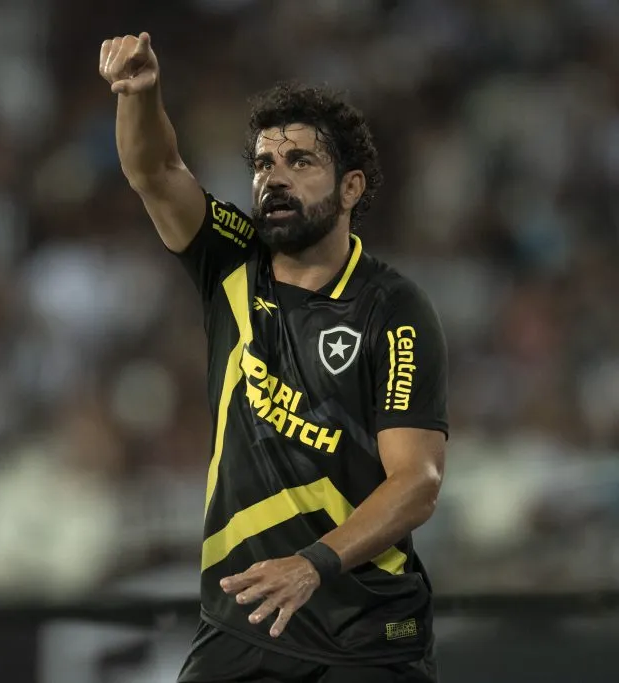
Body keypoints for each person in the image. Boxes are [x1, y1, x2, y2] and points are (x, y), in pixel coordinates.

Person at [99, 33, 449, 683]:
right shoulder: (232, 261)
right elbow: (155, 171)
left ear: (350, 187)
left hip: (365, 637)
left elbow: (417, 481)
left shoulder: (392, 308)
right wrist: (139, 96)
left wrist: (312, 562)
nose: (274, 176)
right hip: (244, 624)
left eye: (299, 161)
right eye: (263, 164)